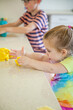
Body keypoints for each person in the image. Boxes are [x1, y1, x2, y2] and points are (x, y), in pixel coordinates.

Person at [10, 25, 73, 110]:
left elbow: (52, 68)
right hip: (57, 95)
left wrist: (29, 62)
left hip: (67, 102)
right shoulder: (59, 56)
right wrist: (26, 54)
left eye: (49, 50)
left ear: (63, 52)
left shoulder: (71, 62)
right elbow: (42, 57)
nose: (46, 52)